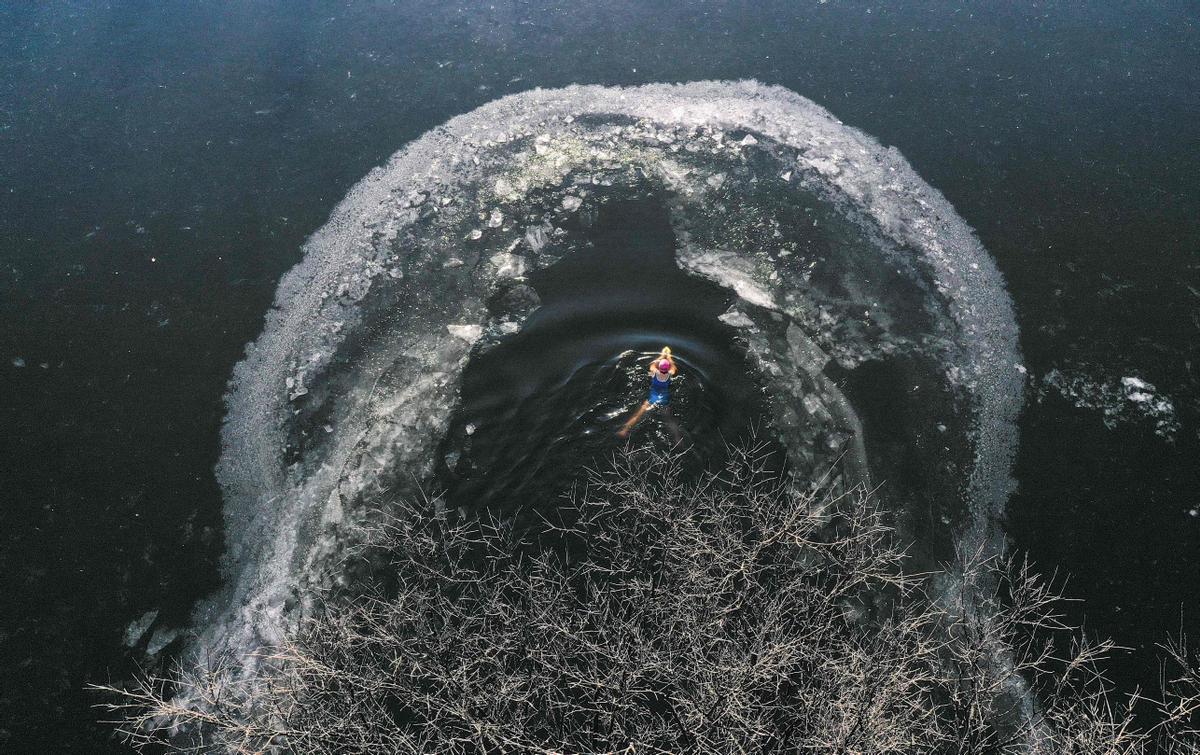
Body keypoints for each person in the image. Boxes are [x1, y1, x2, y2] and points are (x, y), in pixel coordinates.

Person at [617, 346, 682, 442]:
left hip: (653, 397)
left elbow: (652, 364)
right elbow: (673, 367)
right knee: (669, 420)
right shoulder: (670, 374)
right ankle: (677, 438)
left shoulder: (654, 372)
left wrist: (661, 356)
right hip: (664, 398)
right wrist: (668, 356)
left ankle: (624, 430)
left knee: (638, 415)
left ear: (659, 368)